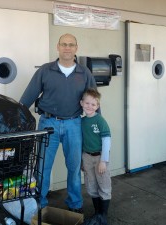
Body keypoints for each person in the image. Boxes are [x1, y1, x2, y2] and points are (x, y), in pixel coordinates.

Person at [19, 33, 97, 212]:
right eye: (64, 44)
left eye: (71, 45)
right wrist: (17, 120)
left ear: (76, 48)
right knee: (43, 166)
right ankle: (39, 204)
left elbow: (94, 101)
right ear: (58, 47)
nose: (67, 48)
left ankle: (75, 204)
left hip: (74, 124)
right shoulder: (45, 71)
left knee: (74, 167)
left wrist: (96, 126)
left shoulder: (84, 73)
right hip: (48, 124)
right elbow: (27, 98)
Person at [80, 88, 111, 223]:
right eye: (87, 103)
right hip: (86, 157)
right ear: (81, 103)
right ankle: (96, 213)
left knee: (103, 184)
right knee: (91, 185)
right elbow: (81, 141)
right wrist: (82, 160)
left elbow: (106, 141)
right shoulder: (81, 121)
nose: (90, 107)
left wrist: (104, 160)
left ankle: (103, 215)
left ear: (97, 106)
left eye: (93, 104)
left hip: (100, 157)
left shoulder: (100, 121)